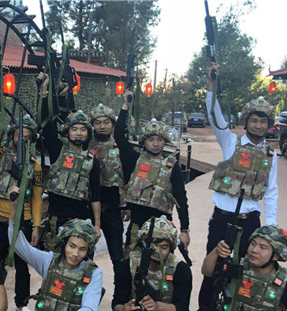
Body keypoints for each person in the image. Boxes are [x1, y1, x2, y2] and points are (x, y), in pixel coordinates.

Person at [195, 62, 279, 311]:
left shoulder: (270, 155)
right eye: (254, 120)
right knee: (214, 266)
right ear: (246, 121)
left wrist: (272, 227)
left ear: (268, 125)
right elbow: (214, 115)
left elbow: (272, 191)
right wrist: (211, 83)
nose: (258, 125)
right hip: (222, 218)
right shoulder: (230, 141)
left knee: (245, 270)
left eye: (263, 121)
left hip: (249, 220)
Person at [0, 81, 43, 311]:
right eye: (19, 135)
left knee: (22, 265)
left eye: (28, 137)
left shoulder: (35, 164)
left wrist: (36, 225)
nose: (23, 140)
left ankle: (22, 303)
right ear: (12, 136)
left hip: (22, 220)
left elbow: (37, 196)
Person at [117, 91, 190, 257]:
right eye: (151, 140)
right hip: (137, 226)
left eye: (160, 139)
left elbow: (181, 199)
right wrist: (125, 106)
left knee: (159, 265)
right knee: (130, 262)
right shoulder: (135, 159)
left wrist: (185, 229)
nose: (155, 144)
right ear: (144, 141)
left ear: (165, 141)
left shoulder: (173, 166)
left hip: (162, 228)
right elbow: (119, 137)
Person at [37, 73, 102, 251]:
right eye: (74, 129)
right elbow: (46, 123)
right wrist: (45, 90)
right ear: (67, 132)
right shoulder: (58, 149)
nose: (78, 133)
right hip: (56, 219)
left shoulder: (92, 160)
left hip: (80, 221)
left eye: (83, 130)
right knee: (53, 259)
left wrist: (97, 225)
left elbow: (95, 195)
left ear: (88, 133)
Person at [89, 102, 133, 274]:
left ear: (112, 124)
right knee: (84, 255)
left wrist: (127, 204)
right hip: (89, 207)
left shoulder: (120, 146)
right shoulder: (86, 145)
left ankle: (120, 290)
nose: (102, 126)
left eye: (106, 122)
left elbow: (128, 177)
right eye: (98, 122)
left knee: (117, 256)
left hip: (114, 209)